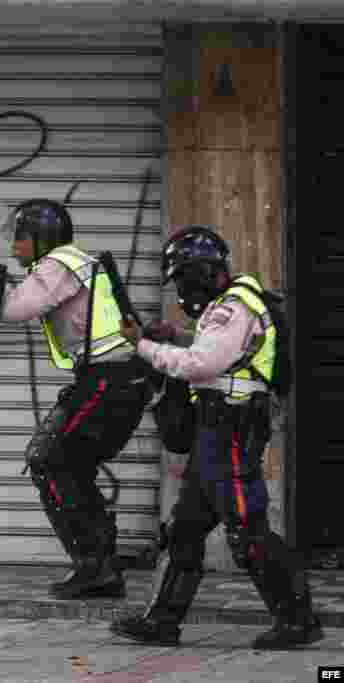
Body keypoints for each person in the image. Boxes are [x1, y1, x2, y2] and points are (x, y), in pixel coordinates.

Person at [110, 225, 322, 650]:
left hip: (230, 429)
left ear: (199, 273)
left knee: (247, 528)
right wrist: (173, 337)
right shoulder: (231, 306)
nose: (182, 290)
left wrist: (145, 348)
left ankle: (298, 620)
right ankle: (162, 621)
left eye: (183, 279)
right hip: (215, 429)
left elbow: (202, 364)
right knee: (185, 530)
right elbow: (221, 354)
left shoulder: (233, 307)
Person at [0, 198, 153, 599]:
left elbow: (18, 307)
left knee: (49, 459)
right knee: (71, 465)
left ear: (41, 239)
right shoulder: (70, 263)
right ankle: (100, 566)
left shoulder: (60, 263)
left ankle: (95, 565)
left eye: (20, 238)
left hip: (109, 377)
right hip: (115, 378)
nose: (14, 247)